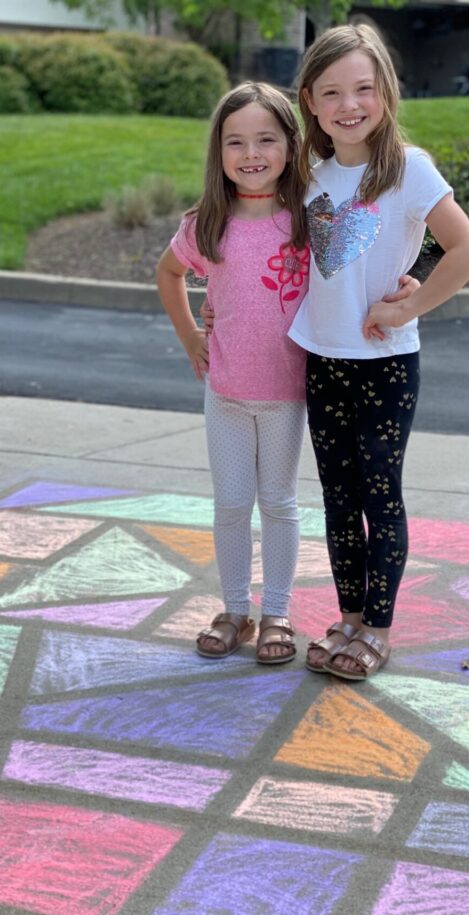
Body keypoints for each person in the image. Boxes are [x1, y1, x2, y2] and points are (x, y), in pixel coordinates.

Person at [292, 24, 469, 681]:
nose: (350, 105)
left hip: (385, 364)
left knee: (379, 496)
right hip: (323, 359)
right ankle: (347, 617)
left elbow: (467, 252)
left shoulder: (407, 169)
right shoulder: (312, 175)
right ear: (311, 103)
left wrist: (410, 303)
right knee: (337, 499)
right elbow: (308, 264)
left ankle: (377, 628)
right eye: (333, 93)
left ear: (385, 93)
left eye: (363, 89)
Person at [156, 81, 310, 664]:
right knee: (229, 505)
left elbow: (350, 276)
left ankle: (277, 612)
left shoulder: (306, 221)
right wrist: (192, 334)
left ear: (291, 147)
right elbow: (168, 274)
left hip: (286, 394)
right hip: (225, 394)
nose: (252, 153)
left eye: (267, 139)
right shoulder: (207, 224)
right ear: (219, 152)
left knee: (278, 502)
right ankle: (235, 610)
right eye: (236, 142)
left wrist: (404, 284)